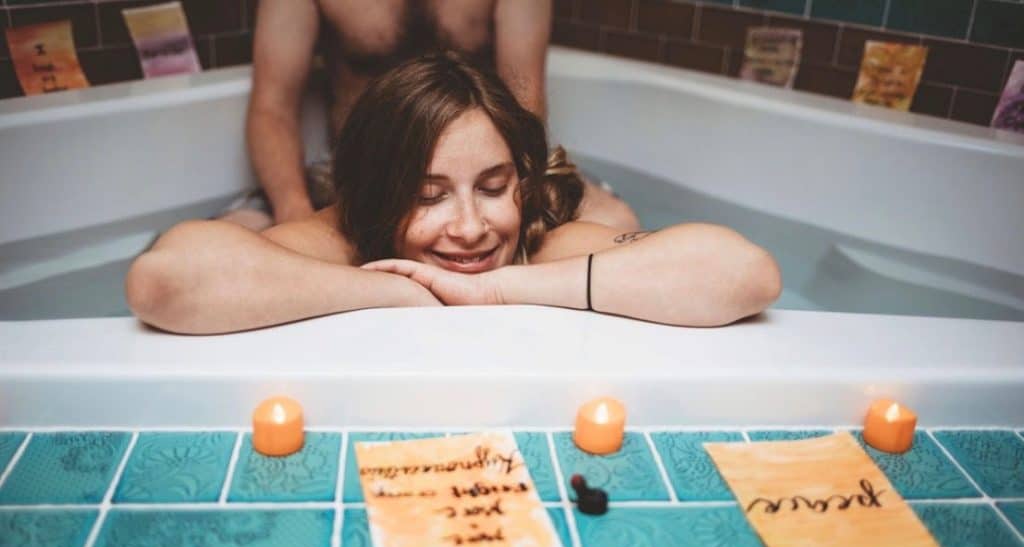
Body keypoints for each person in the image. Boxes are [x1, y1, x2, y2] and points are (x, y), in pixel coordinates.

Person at [126, 53, 781, 334]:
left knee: (613, 215)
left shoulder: (538, 242)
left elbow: (746, 273)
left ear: (520, 182)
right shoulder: (341, 239)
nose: (469, 228)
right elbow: (164, 282)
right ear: (381, 197)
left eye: (493, 188)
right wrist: (397, 289)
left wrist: (494, 288)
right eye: (428, 195)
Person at [227, 0, 640, 233]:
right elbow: (272, 108)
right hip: (353, 179)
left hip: (477, 175)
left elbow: (523, 99)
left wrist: (515, 204)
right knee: (230, 244)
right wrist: (295, 212)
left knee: (617, 224)